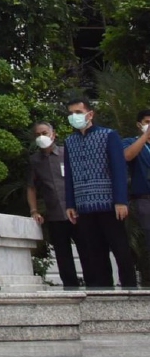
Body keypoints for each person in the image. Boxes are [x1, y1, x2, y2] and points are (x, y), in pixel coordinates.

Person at [63, 97, 137, 287]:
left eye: (78, 112)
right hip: (84, 205)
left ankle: (129, 287)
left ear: (90, 114)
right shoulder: (69, 141)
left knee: (120, 248)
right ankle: (104, 289)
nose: (74, 116)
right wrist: (70, 203)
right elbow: (69, 174)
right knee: (94, 251)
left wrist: (121, 200)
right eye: (71, 113)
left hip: (109, 203)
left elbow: (119, 168)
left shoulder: (108, 135)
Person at [26, 121, 81, 287]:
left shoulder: (68, 153)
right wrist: (34, 210)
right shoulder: (35, 161)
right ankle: (70, 286)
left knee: (87, 249)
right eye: (37, 134)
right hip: (55, 214)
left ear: (53, 134)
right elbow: (31, 187)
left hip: (77, 211)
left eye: (44, 132)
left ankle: (96, 283)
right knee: (62, 254)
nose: (41, 137)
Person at [123, 110, 150, 267]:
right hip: (144, 199)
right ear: (139, 125)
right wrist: (145, 137)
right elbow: (126, 156)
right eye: (147, 122)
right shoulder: (131, 142)